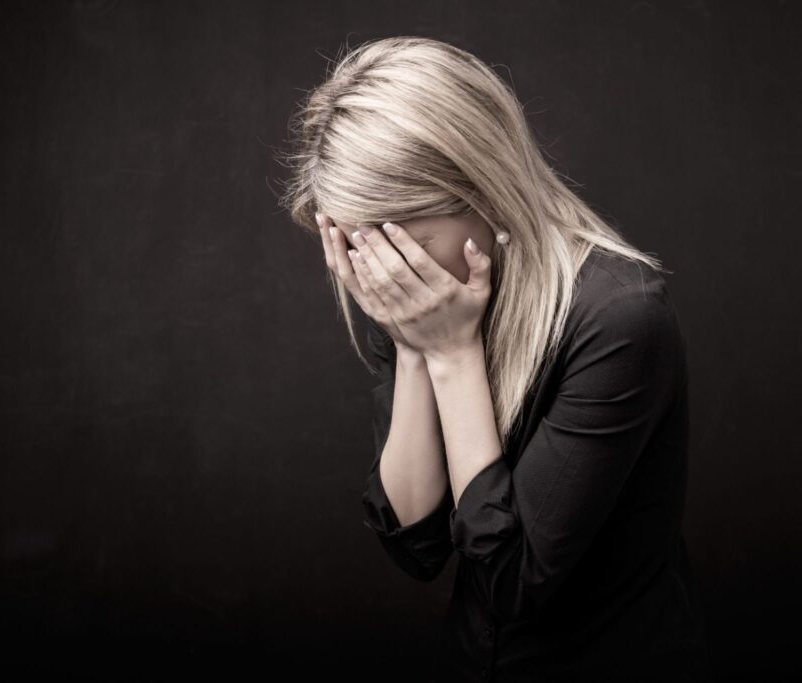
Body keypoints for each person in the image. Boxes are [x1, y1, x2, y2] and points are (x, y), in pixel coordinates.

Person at [277, 37, 713, 682]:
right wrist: (412, 346)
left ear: (484, 187)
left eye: (408, 238)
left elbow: (513, 583)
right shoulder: (418, 300)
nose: (385, 271)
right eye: (360, 243)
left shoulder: (621, 317)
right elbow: (416, 542)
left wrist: (452, 354)